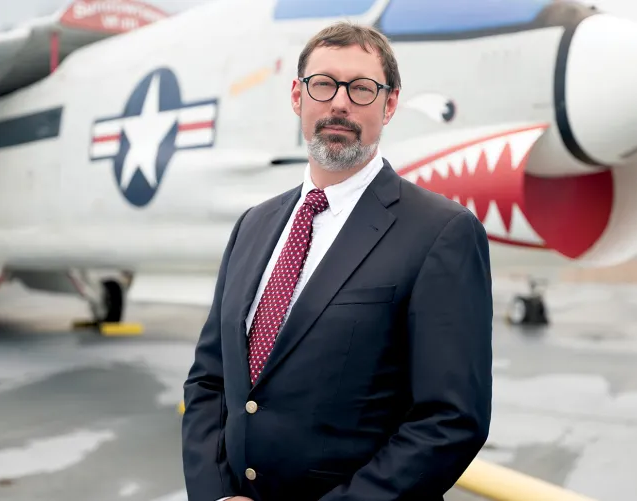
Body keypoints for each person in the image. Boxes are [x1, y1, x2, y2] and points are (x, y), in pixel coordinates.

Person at [181, 21, 493, 501]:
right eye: (323, 84)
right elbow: (209, 379)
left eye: (362, 89)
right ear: (297, 97)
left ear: (390, 105)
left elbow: (449, 421)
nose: (340, 102)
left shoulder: (441, 233)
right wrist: (214, 494)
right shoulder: (253, 225)